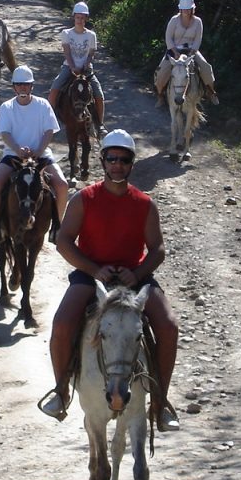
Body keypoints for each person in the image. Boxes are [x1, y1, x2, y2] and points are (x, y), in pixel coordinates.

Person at [41, 129, 181, 432]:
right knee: (63, 323)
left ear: (132, 163)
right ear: (103, 161)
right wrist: (93, 270)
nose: (117, 164)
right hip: (91, 276)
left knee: (168, 326)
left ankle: (160, 402)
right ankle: (61, 391)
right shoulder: (84, 199)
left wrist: (139, 273)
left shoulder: (144, 203)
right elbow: (64, 241)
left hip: (133, 276)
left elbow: (158, 248)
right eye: (112, 158)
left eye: (124, 159)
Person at [0, 65, 69, 245]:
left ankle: (57, 227)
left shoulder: (43, 105)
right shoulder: (7, 107)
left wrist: (39, 150)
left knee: (62, 185)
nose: (23, 88)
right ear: (14, 86)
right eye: (19, 84)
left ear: (32, 86)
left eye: (26, 84)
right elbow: (5, 133)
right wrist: (17, 149)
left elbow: (49, 130)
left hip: (41, 155)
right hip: (14, 156)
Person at [48, 1, 106, 138]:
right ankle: (49, 119)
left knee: (99, 94)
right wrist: (73, 67)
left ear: (86, 18)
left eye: (82, 17)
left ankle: (100, 124)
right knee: (54, 88)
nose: (80, 20)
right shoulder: (66, 33)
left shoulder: (91, 35)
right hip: (69, 67)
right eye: (77, 17)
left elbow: (91, 53)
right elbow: (67, 52)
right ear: (74, 17)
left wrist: (86, 65)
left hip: (86, 69)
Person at [154, 0, 218, 107]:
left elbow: (198, 39)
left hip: (191, 51)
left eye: (188, 9)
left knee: (206, 67)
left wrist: (192, 53)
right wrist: (174, 52)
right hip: (174, 50)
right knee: (160, 73)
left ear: (192, 9)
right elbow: (168, 37)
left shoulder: (198, 22)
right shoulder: (174, 20)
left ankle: (211, 92)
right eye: (184, 9)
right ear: (180, 9)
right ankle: (160, 95)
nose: (186, 11)